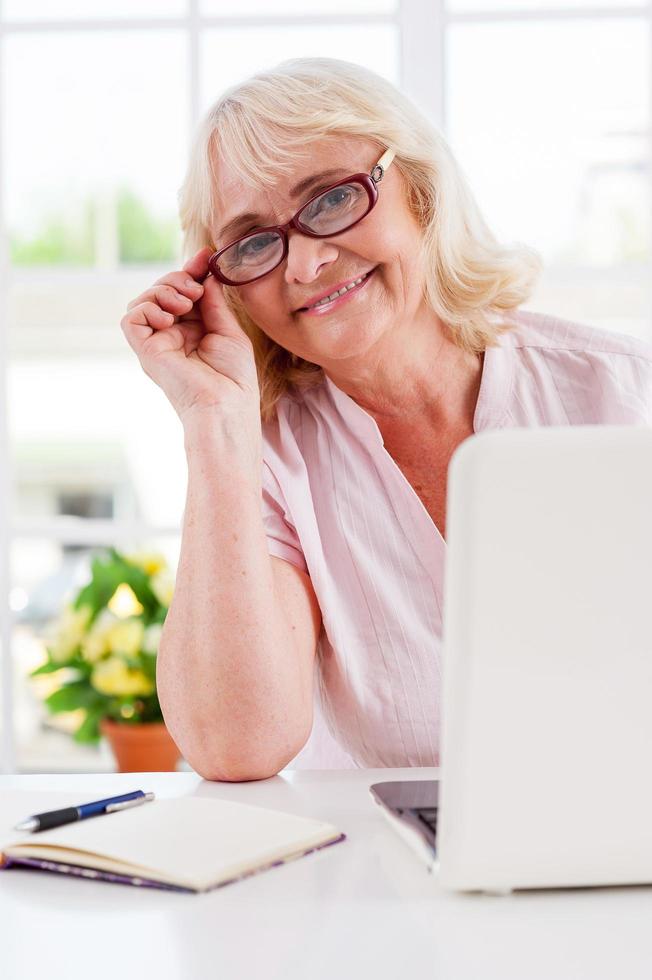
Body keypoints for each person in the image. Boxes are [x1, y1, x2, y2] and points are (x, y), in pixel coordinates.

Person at [121, 57, 652, 780]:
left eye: (333, 199)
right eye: (252, 242)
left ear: (420, 192)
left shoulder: (622, 396)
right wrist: (215, 422)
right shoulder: (270, 460)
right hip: (375, 884)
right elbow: (233, 745)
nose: (303, 265)